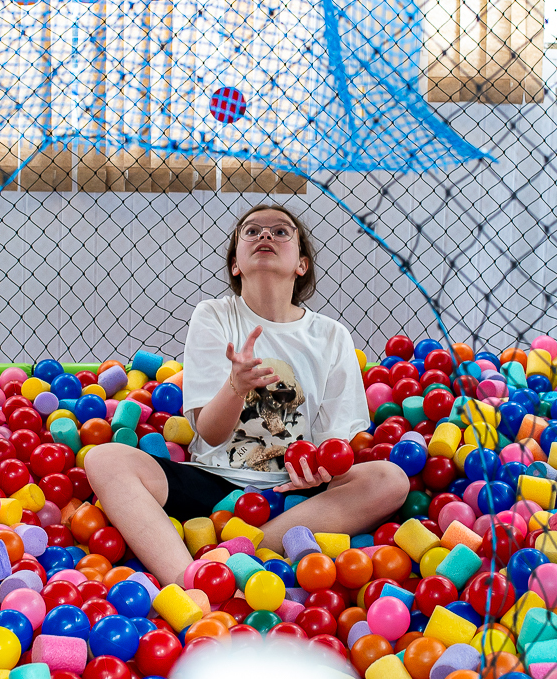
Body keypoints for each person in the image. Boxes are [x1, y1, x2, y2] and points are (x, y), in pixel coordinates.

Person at [85, 204, 410, 586]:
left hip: (295, 495)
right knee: (105, 459)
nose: (265, 235)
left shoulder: (331, 335)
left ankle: (235, 555)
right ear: (235, 264)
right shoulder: (214, 316)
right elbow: (210, 432)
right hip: (213, 485)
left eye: (281, 231)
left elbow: (333, 446)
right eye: (251, 231)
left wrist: (317, 470)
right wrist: (236, 386)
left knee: (390, 479)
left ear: (301, 264)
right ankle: (189, 583)